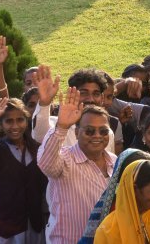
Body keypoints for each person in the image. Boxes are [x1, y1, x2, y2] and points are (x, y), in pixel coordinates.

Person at [38, 88, 117, 244]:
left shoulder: (115, 162)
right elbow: (45, 163)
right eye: (89, 131)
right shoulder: (65, 159)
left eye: (103, 131)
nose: (97, 136)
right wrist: (62, 126)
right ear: (76, 133)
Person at [0, 97, 47, 244]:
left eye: (20, 120)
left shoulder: (36, 149)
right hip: (6, 229)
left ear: (26, 121)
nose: (15, 126)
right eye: (9, 121)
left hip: (35, 225)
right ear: (1, 125)